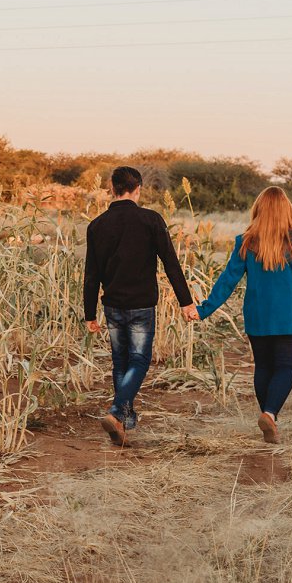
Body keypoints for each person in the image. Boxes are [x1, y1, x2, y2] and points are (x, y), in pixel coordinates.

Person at [191, 186, 292, 444]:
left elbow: (227, 281)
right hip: (290, 318)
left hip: (258, 317)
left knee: (264, 366)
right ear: (287, 209)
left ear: (259, 209)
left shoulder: (247, 241)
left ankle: (269, 418)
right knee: (286, 367)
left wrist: (203, 309)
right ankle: (270, 414)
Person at [84, 166, 198, 446]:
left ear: (112, 188)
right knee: (139, 360)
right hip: (142, 304)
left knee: (120, 361)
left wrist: (89, 314)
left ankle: (123, 420)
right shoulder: (150, 220)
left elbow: (92, 274)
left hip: (112, 305)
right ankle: (116, 410)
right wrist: (186, 302)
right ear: (138, 189)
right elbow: (171, 263)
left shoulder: (97, 225)